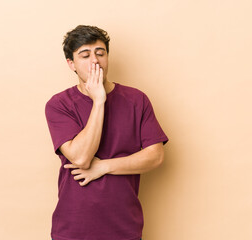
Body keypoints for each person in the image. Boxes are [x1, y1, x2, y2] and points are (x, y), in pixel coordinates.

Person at [45, 25, 168, 240]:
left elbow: (155, 156)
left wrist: (103, 167)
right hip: (72, 229)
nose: (95, 60)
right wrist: (99, 101)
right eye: (85, 55)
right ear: (71, 64)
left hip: (124, 228)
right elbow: (81, 157)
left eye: (100, 53)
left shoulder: (136, 100)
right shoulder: (59, 104)